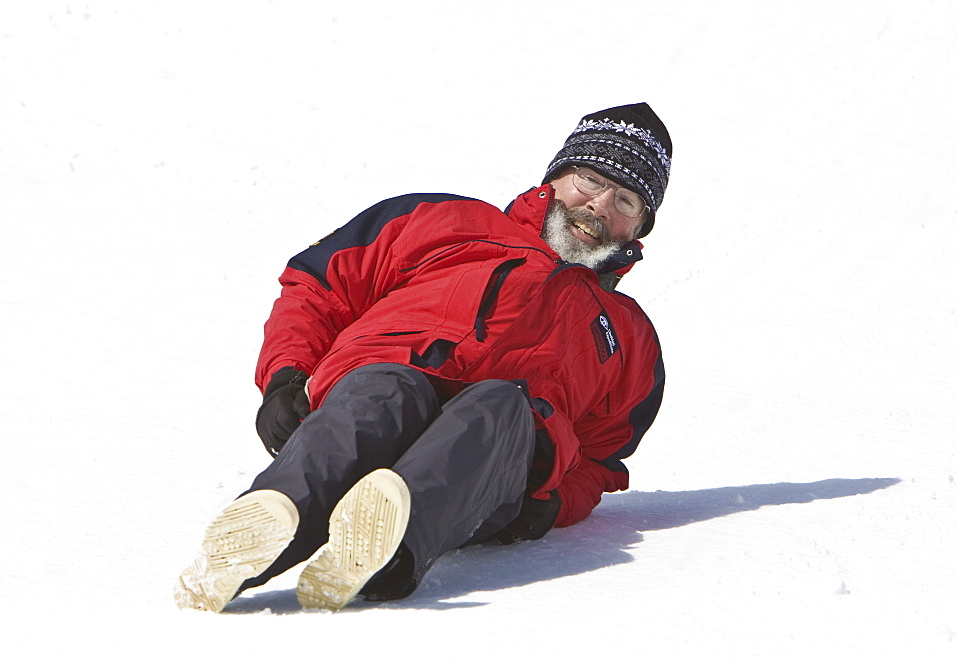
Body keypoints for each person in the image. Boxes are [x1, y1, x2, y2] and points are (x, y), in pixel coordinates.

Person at [175, 102, 672, 613]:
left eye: (626, 200)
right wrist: (284, 378)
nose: (598, 206)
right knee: (384, 391)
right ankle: (262, 525)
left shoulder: (630, 338)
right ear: (558, 176)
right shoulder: (445, 220)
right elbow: (320, 287)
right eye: (590, 180)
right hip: (384, 383)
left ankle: (384, 544)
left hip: (492, 461)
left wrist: (548, 505)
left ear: (639, 228)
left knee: (499, 404)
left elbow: (600, 458)